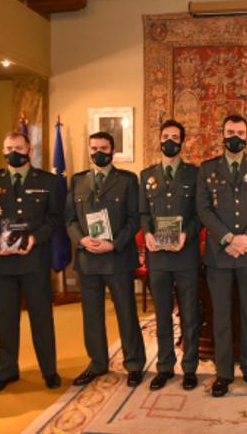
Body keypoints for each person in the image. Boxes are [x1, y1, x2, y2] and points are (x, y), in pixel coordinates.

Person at [0, 131, 63, 396]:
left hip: (34, 260)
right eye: (9, 147)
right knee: (6, 320)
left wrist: (36, 237)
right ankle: (6, 372)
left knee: (42, 319)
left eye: (19, 147)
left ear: (30, 149)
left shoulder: (47, 181)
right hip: (3, 263)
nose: (14, 151)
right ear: (3, 151)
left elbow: (56, 218)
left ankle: (49, 371)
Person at [196, 114, 247, 397]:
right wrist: (229, 238)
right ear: (222, 134)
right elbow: (203, 209)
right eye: (230, 131)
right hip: (220, 254)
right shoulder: (208, 169)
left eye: (241, 132)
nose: (235, 137)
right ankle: (224, 373)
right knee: (222, 317)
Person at [65, 131, 146, 388]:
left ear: (112, 151)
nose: (98, 152)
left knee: (126, 312)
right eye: (94, 148)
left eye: (104, 148)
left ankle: (134, 364)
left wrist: (114, 243)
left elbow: (135, 219)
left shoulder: (127, 180)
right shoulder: (77, 181)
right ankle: (97, 363)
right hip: (88, 258)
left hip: (118, 258)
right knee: (92, 315)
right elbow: (69, 220)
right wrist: (82, 240)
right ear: (89, 151)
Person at [139, 120, 202, 391]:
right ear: (159, 139)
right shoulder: (147, 175)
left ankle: (190, 367)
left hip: (185, 255)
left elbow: (200, 214)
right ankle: (164, 366)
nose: (169, 141)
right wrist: (147, 235)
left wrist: (186, 234)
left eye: (175, 137)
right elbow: (143, 213)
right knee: (162, 314)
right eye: (165, 136)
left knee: (190, 314)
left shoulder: (194, 174)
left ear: (182, 142)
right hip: (159, 257)